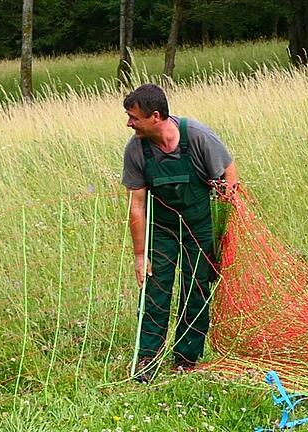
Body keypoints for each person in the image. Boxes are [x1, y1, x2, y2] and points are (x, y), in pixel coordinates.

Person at [121, 83, 238, 383]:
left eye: (134, 117)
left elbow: (228, 170)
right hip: (161, 230)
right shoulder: (136, 150)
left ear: (155, 116)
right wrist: (139, 255)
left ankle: (186, 359)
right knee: (155, 289)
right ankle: (147, 358)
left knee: (196, 288)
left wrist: (226, 205)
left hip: (198, 225)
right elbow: (136, 206)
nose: (129, 123)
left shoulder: (197, 135)